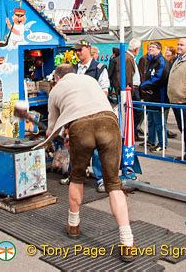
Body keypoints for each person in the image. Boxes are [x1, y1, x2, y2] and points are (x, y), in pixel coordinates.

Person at [45, 63, 134, 262]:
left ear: (58, 78)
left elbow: (51, 129)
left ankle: (74, 225)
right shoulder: (89, 80)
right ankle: (127, 241)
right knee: (113, 184)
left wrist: (55, 135)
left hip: (81, 127)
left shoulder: (56, 90)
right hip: (108, 123)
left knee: (76, 178)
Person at [63, 40, 110, 193]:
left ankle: (101, 179)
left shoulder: (99, 68)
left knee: (96, 147)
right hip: (76, 113)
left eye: (80, 50)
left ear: (88, 49)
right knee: (75, 145)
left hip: (94, 113)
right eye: (75, 50)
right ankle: (74, 175)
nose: (77, 53)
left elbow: (104, 92)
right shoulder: (73, 69)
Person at [139, 42, 168, 152]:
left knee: (159, 122)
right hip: (150, 96)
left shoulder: (161, 61)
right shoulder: (150, 61)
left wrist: (144, 85)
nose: (150, 49)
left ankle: (162, 143)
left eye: (153, 47)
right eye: (149, 47)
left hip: (159, 97)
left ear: (159, 49)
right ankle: (151, 140)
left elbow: (158, 78)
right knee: (150, 120)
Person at [117, 38, 144, 140]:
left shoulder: (129, 57)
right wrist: (129, 91)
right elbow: (128, 76)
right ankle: (132, 133)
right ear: (136, 49)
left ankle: (133, 133)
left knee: (136, 111)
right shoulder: (128, 58)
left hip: (133, 89)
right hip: (131, 90)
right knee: (137, 111)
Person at [164, 46, 178, 139]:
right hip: (165, 91)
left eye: (169, 50)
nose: (167, 52)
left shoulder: (174, 61)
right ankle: (165, 130)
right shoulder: (164, 61)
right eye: (166, 50)